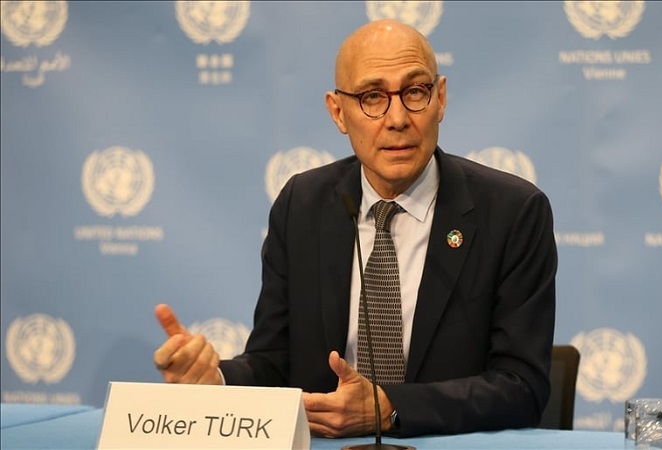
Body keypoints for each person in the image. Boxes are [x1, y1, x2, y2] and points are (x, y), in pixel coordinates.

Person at [153, 18, 557, 438]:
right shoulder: (302, 205)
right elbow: (273, 361)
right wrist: (215, 382)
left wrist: (390, 409)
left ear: (440, 99)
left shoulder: (512, 212)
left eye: (414, 92)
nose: (397, 118)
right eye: (372, 97)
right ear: (338, 112)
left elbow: (522, 387)